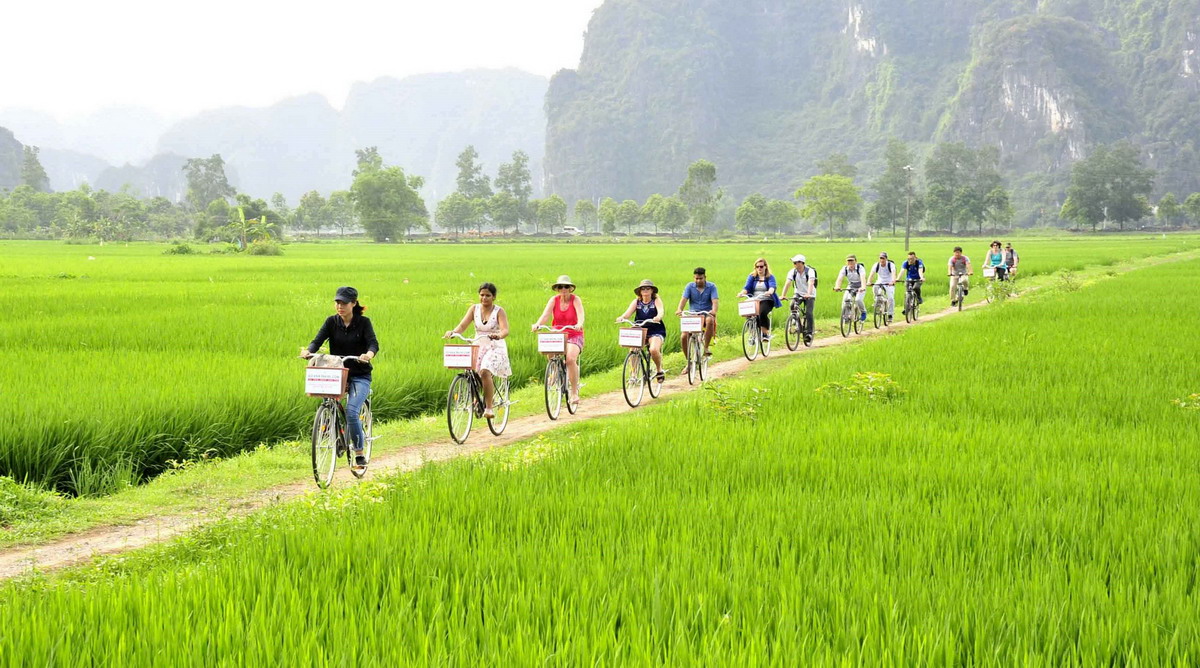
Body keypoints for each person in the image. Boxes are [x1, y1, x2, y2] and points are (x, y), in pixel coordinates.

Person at [300, 286, 378, 469]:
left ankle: (359, 453)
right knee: (328, 400)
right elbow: (317, 341)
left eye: (343, 303)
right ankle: (331, 427)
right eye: (337, 302)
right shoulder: (331, 322)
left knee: (352, 411)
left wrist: (368, 355)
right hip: (337, 373)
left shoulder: (364, 323)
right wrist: (308, 351)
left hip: (359, 375)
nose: (339, 306)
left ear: (353, 303)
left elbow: (373, 343)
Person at [443, 282, 510, 419]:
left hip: (495, 346)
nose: (484, 298)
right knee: (472, 371)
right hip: (478, 344)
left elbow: (505, 330)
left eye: (488, 295)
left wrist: (498, 336)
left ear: (494, 297)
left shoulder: (499, 311)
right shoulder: (474, 309)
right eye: (482, 295)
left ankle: (489, 407)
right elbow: (462, 325)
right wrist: (453, 332)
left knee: (485, 371)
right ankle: (476, 399)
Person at [532, 274, 585, 406]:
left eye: (566, 286)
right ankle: (555, 370)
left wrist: (579, 323)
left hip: (574, 334)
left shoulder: (575, 300)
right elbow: (545, 315)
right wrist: (537, 324)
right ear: (557, 289)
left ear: (570, 288)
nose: (563, 289)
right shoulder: (553, 300)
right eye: (560, 287)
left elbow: (581, 314)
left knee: (570, 359)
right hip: (558, 334)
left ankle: (574, 392)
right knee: (549, 351)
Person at [615, 279, 667, 383]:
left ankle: (659, 370)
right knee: (633, 348)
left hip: (655, 330)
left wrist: (658, 317)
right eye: (643, 288)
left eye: (648, 288)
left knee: (653, 350)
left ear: (652, 290)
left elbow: (661, 311)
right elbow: (627, 314)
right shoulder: (636, 302)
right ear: (640, 291)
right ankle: (633, 374)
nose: (645, 290)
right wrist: (621, 317)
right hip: (640, 329)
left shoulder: (656, 300)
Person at [676, 266, 719, 360]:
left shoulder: (712, 287)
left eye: (701, 278)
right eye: (696, 278)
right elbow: (684, 299)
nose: (698, 281)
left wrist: (714, 311)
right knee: (684, 336)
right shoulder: (689, 286)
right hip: (693, 315)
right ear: (693, 278)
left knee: (710, 321)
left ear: (705, 277)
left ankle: (706, 347)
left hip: (706, 313)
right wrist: (679, 309)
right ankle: (689, 360)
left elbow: (715, 301)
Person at [738, 257, 781, 341]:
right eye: (757, 267)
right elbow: (747, 287)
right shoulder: (752, 277)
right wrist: (742, 293)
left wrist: (769, 291)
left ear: (765, 267)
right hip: (754, 299)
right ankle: (752, 333)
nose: (759, 268)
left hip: (766, 299)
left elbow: (772, 286)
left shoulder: (770, 277)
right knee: (748, 313)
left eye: (761, 266)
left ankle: (765, 334)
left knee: (762, 313)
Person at [780, 253, 817, 342]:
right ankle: (797, 323)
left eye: (796, 262)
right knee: (792, 305)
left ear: (802, 263)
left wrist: (808, 293)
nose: (794, 264)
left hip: (810, 294)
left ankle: (809, 333)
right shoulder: (792, 272)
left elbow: (811, 283)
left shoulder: (810, 271)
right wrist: (783, 295)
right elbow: (788, 283)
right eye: (794, 263)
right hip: (798, 293)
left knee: (808, 312)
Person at [833, 254, 868, 321]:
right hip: (851, 285)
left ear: (856, 261)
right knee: (845, 300)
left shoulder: (860, 268)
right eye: (849, 261)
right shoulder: (845, 269)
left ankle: (863, 312)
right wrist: (837, 286)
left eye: (852, 261)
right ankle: (846, 317)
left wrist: (863, 287)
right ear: (846, 262)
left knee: (858, 300)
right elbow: (840, 278)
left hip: (860, 285)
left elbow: (863, 278)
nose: (850, 263)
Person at [866, 251, 897, 318]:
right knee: (874, 287)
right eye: (880, 258)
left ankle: (890, 314)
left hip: (889, 283)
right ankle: (878, 300)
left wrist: (893, 281)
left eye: (883, 258)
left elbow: (894, 273)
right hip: (880, 281)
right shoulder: (876, 265)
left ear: (886, 259)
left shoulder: (891, 265)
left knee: (891, 298)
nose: (882, 260)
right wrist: (869, 281)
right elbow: (872, 274)